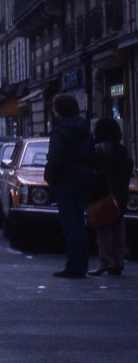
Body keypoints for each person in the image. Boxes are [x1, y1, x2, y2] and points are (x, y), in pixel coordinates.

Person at [43, 94, 96, 279]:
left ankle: (73, 265)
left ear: (60, 110)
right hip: (83, 178)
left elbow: (55, 158)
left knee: (70, 224)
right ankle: (82, 264)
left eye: (55, 108)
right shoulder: (84, 129)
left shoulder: (61, 130)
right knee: (80, 223)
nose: (54, 112)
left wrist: (50, 178)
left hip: (66, 179)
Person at [89, 118, 131, 276]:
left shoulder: (99, 149)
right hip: (120, 194)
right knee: (118, 226)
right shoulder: (123, 150)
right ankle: (118, 261)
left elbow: (96, 174)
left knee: (103, 228)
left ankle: (105, 261)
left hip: (104, 193)